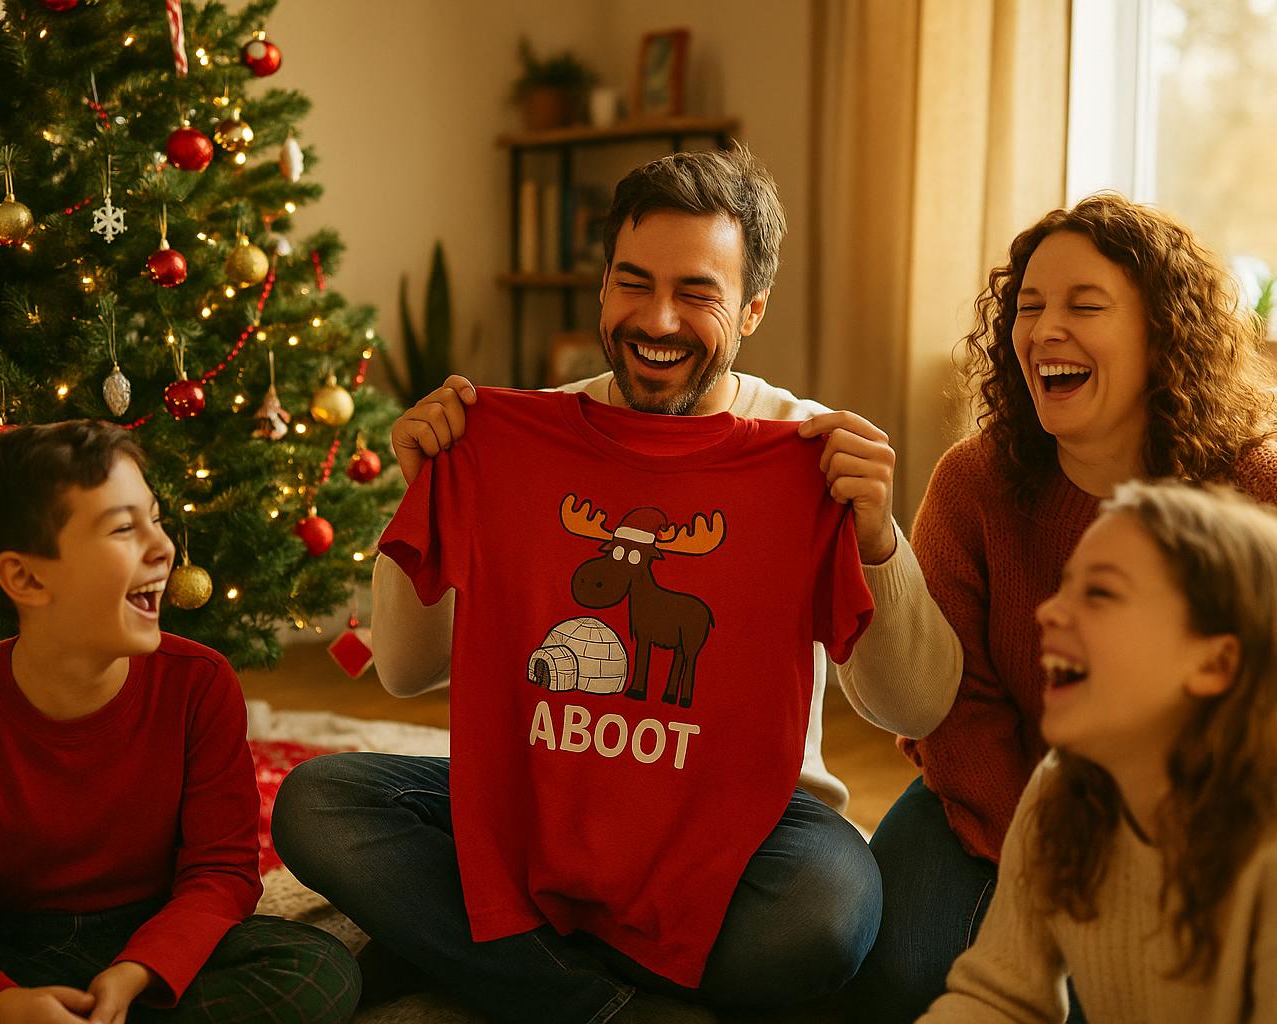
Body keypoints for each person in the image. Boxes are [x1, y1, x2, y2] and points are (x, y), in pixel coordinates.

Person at [271, 146, 962, 1023]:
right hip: (541, 803)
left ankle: (500, 964)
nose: (659, 319)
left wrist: (876, 540)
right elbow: (405, 672)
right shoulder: (522, 440)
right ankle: (615, 1008)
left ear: (751, 312)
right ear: (601, 291)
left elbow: (920, 707)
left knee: (828, 913)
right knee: (320, 802)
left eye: (698, 293)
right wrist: (428, 491)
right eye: (633, 283)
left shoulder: (807, 453)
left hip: (743, 825)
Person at [848, 193, 1277, 1021]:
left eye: (1084, 305)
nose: (1041, 331)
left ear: (1162, 331)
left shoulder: (1265, 490)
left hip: (1181, 830)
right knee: (905, 971)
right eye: (1027, 308)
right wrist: (1044, 859)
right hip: (990, 809)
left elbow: (1273, 723)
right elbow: (953, 705)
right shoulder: (974, 481)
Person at [0, 421, 360, 1024]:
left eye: (156, 518)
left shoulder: (200, 682)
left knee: (319, 971)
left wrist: (139, 971)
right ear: (26, 578)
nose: (163, 547)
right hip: (4, 951)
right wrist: (0, 1005)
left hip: (157, 934)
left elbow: (221, 873)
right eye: (122, 528)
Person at [919, 480, 1277, 1022]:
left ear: (1215, 665)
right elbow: (999, 996)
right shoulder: (1062, 786)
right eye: (1066, 587)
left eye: (1102, 593)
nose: (1048, 613)